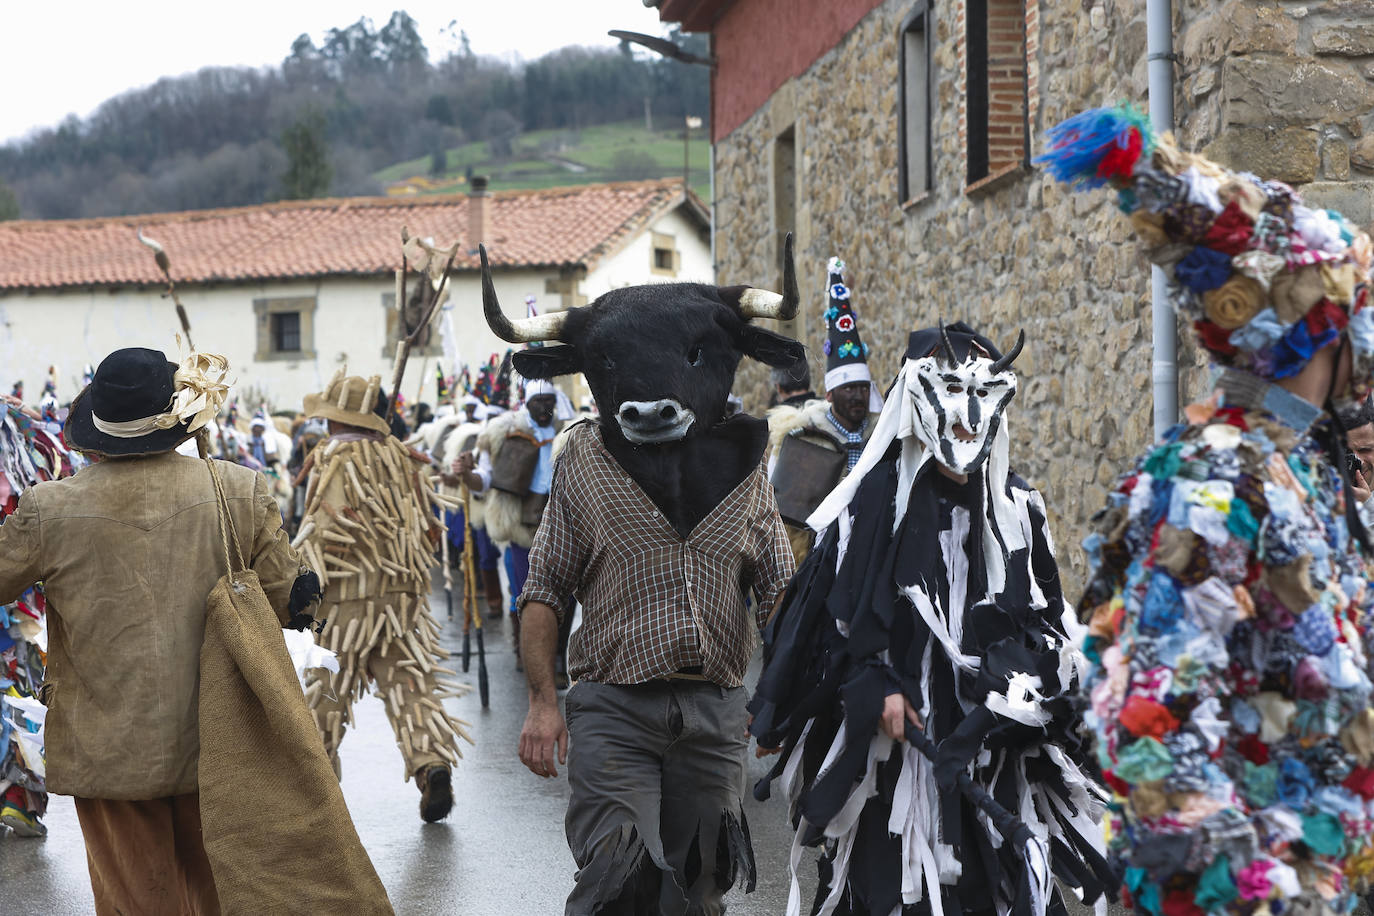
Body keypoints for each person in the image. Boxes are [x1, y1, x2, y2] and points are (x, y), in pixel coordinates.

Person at [1042, 105, 1374, 912]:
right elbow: (1155, 731)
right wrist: (1266, 893)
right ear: (1324, 324)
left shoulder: (1306, 469)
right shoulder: (1216, 479)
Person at [750, 322, 1113, 916]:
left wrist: (1033, 680)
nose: (967, 416)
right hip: (897, 760)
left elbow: (1044, 617)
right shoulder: (872, 505)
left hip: (992, 757)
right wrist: (876, 684)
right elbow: (833, 625)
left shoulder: (1018, 511)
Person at [0, 347, 340, 914]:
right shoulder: (239, 490)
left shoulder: (45, 510)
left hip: (107, 750)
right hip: (220, 739)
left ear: (98, 429)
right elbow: (294, 604)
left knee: (136, 902)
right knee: (214, 898)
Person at [296, 369, 471, 823]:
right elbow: (426, 525)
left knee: (327, 693)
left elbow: (320, 532)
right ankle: (431, 761)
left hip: (345, 602)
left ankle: (313, 787)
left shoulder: (332, 457)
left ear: (335, 418)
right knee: (411, 684)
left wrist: (297, 583)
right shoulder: (402, 457)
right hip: (401, 598)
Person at [768, 255, 884, 563]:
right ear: (831, 393)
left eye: (862, 388)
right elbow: (782, 501)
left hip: (873, 549)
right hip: (819, 553)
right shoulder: (805, 435)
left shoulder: (882, 434)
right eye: (849, 389)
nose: (858, 396)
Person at [452, 379, 572, 676]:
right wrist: (467, 475)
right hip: (523, 525)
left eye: (549, 400)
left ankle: (557, 656)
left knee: (566, 597)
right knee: (527, 594)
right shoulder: (505, 434)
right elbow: (486, 479)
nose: (544, 407)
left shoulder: (569, 434)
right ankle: (529, 656)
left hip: (562, 525)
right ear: (525, 402)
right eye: (538, 401)